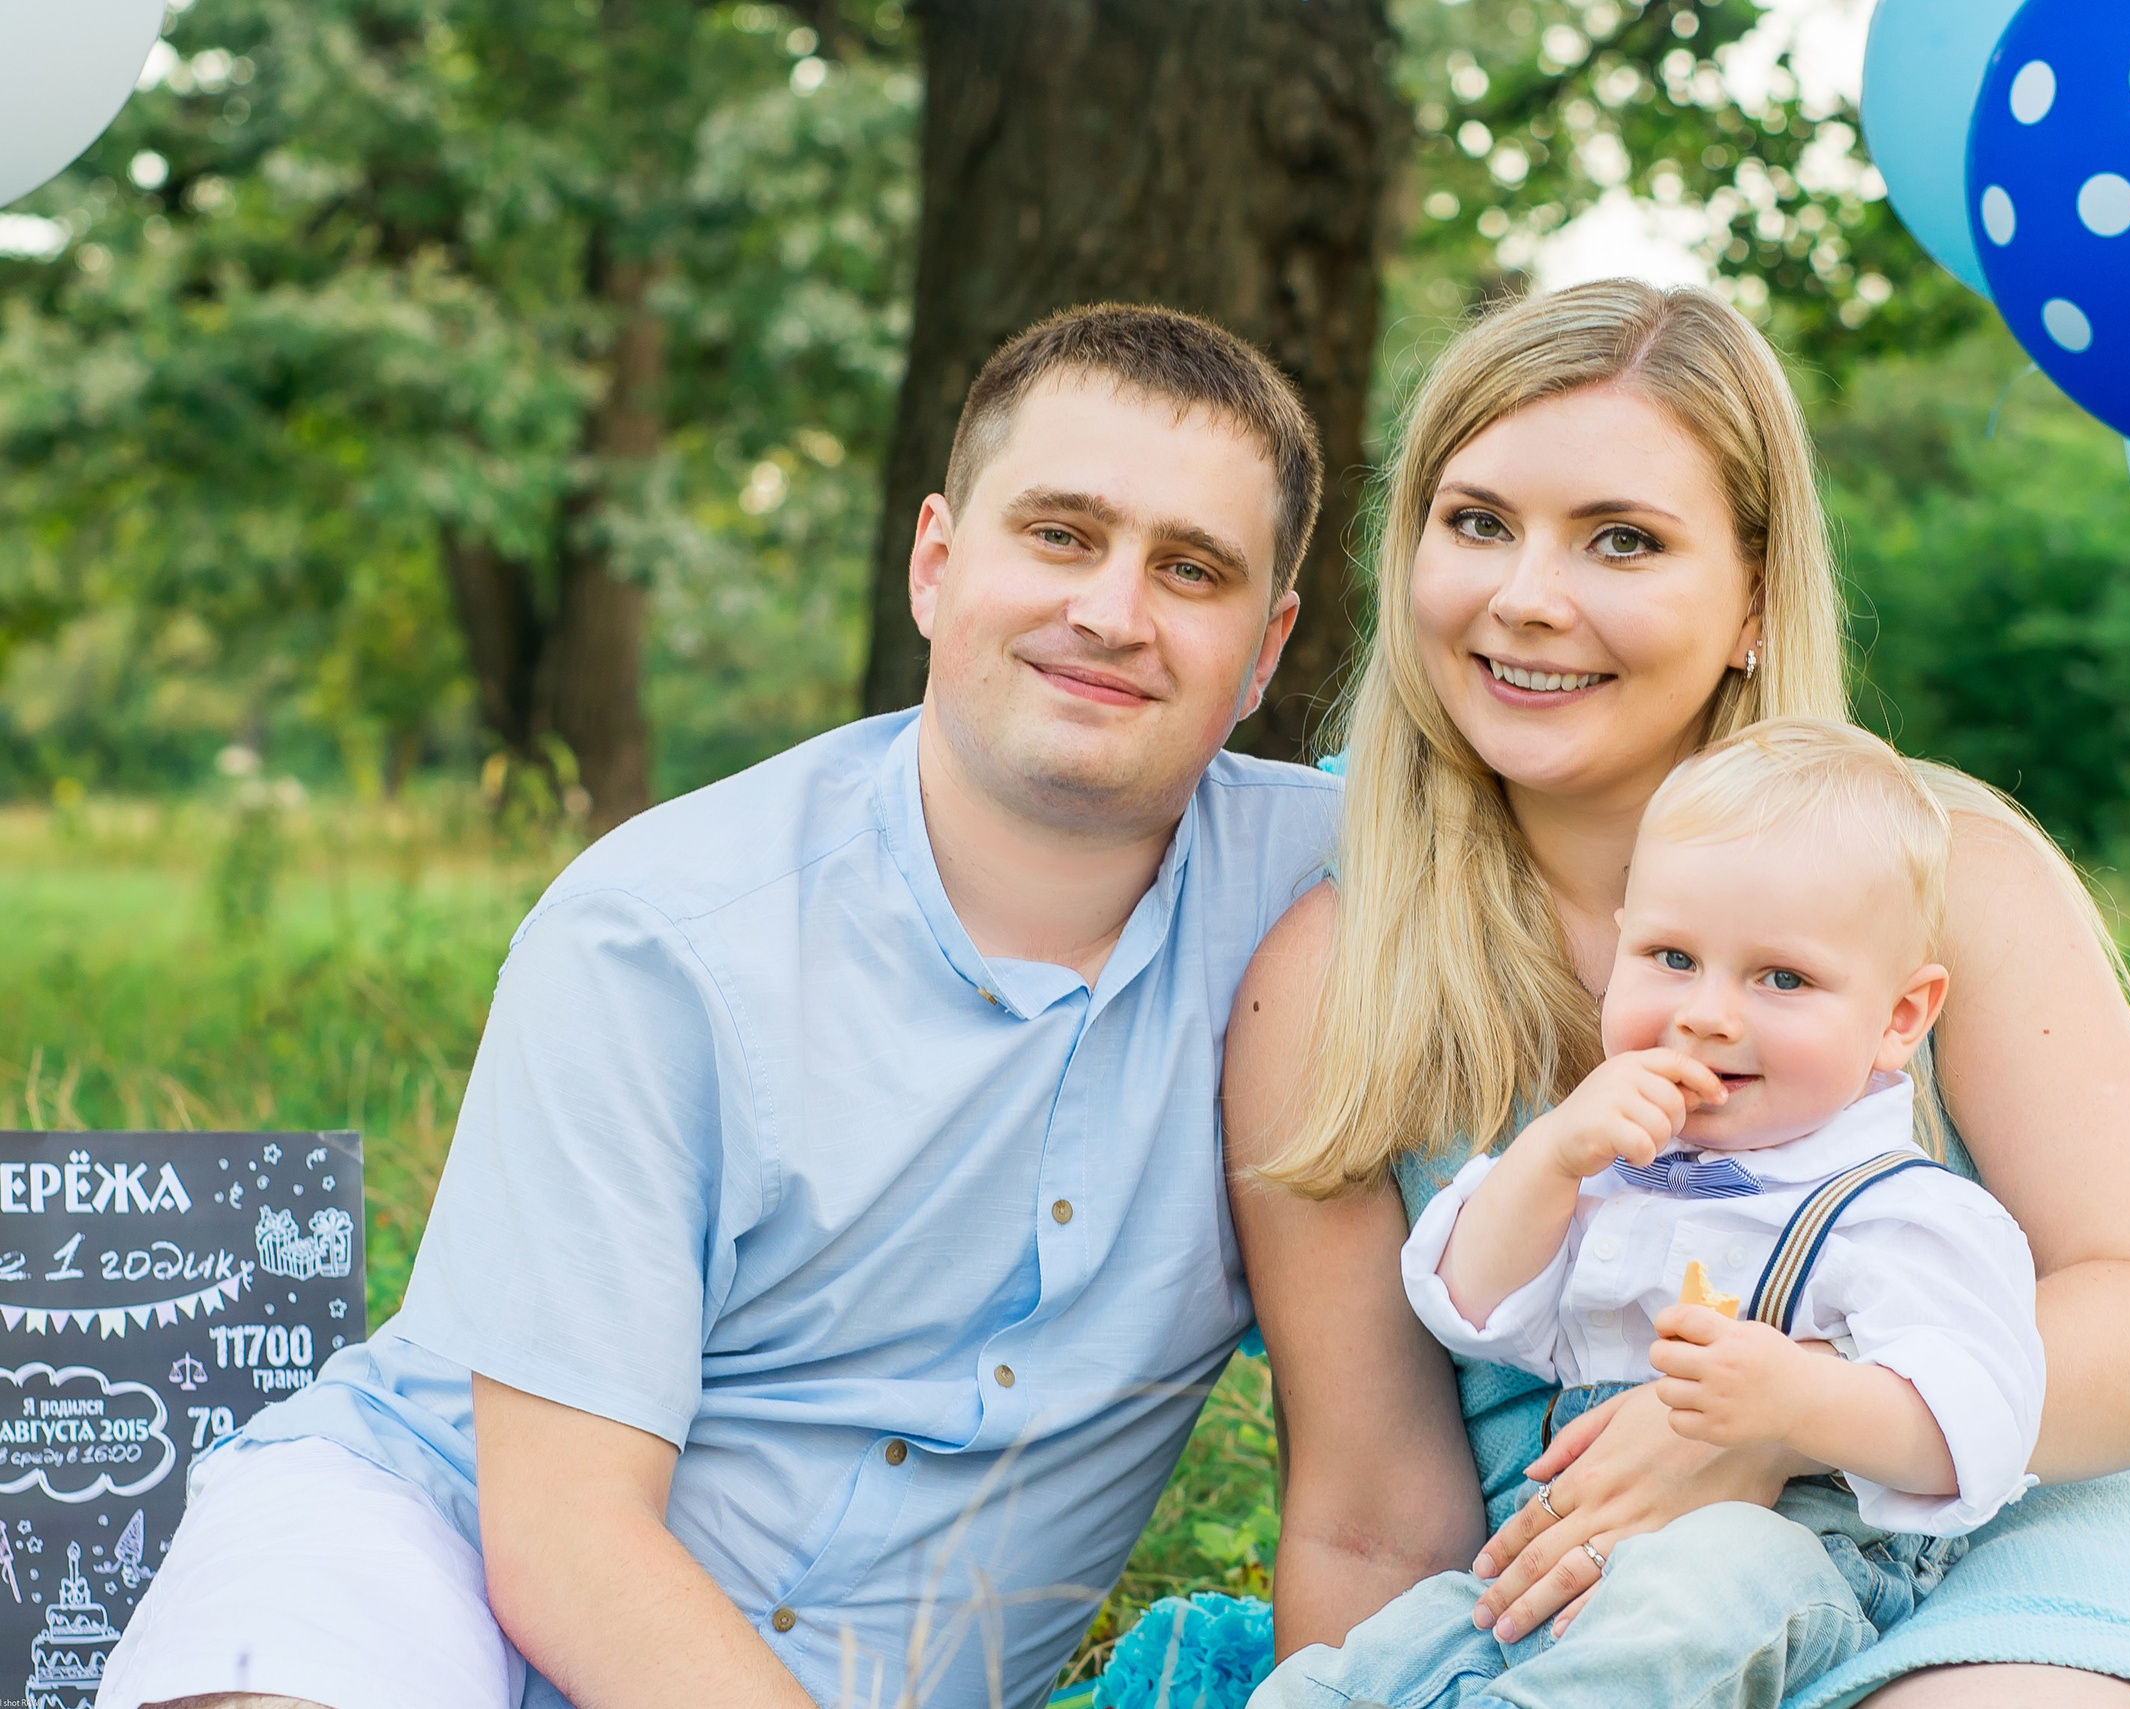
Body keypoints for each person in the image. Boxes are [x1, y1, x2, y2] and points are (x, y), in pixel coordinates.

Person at [101, 304, 1340, 1709]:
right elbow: (565, 1536)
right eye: (1059, 534)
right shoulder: (661, 936)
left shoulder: (1339, 904)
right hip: (440, 1556)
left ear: (1265, 648)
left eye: (1191, 569)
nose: (1112, 611)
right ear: (935, 563)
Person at [1223, 279, 2130, 1708]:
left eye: (1622, 539)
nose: (1526, 597)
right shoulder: (1333, 977)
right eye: (1478, 521)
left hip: (2007, 1543)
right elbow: (1372, 1517)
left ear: (1752, 596)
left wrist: (1774, 1426)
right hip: (1611, 1626)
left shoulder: (1942, 870)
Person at [1255, 717, 2044, 1709]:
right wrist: (1547, 1158)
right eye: (1671, 956)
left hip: (1794, 1571)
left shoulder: (1900, 1213)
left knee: (1700, 1585)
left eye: (1782, 977)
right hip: (1571, 1558)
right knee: (1383, 1657)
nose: (1708, 1011)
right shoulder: (1620, 1173)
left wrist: (1797, 1402)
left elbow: (1977, 1423)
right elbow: (1472, 1306)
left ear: (1899, 1017)